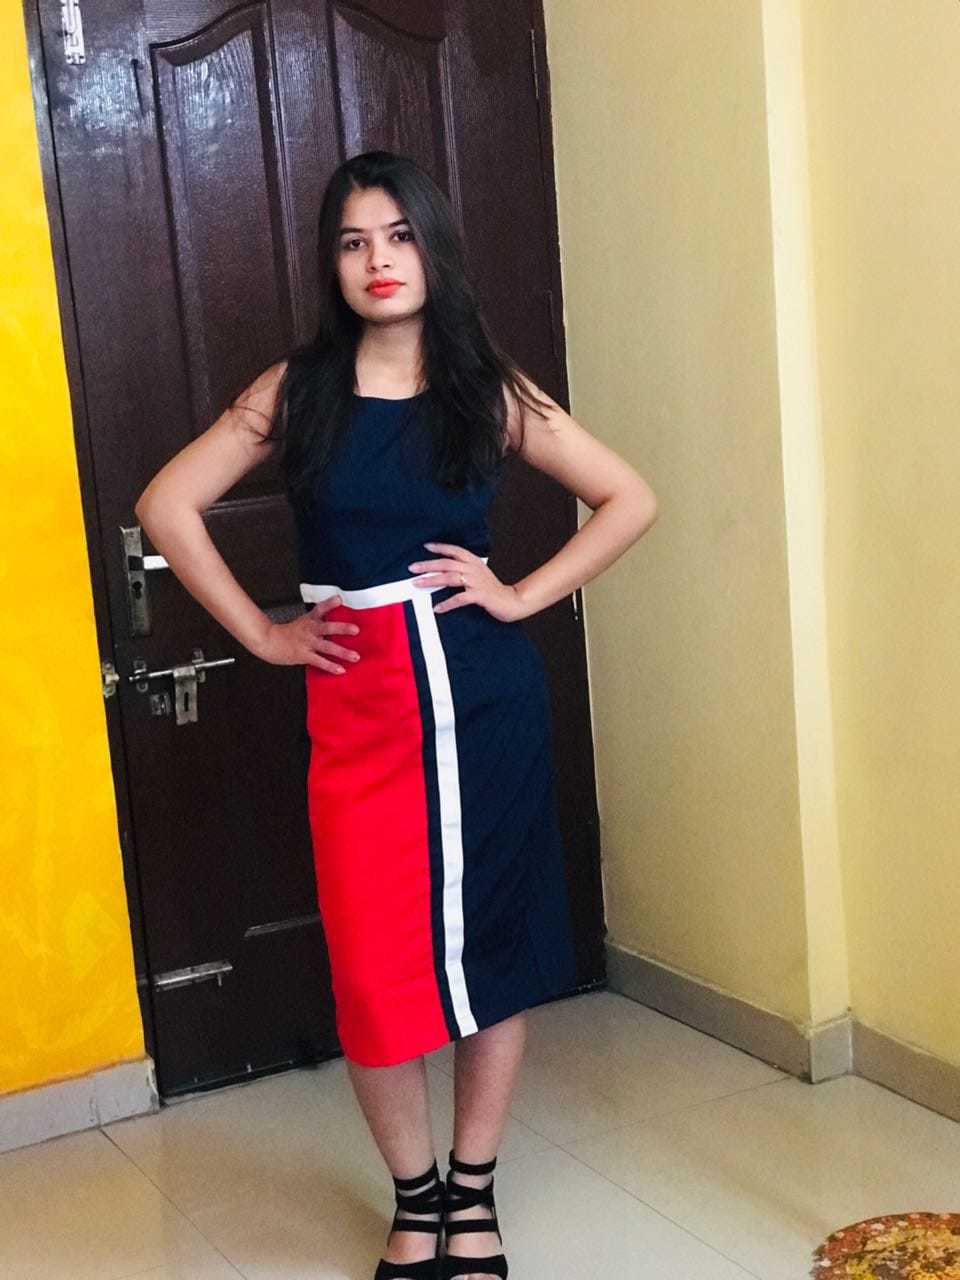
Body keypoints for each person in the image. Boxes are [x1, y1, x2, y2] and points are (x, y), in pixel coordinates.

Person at [135, 150, 657, 1280]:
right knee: (376, 972)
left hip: (485, 703)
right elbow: (167, 504)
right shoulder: (298, 388)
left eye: (400, 236)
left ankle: (473, 1193)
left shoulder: (486, 386)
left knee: (492, 951)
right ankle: (412, 1198)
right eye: (354, 241)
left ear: (434, 249)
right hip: (359, 716)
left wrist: (519, 592)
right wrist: (263, 632)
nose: (379, 260)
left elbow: (629, 496)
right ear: (332, 263)